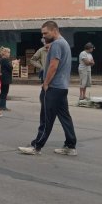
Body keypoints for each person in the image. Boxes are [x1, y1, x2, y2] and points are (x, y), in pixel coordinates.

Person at [19, 21, 77, 156]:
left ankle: (36, 146)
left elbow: (53, 66)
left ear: (55, 30)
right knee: (64, 117)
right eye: (42, 34)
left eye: (46, 33)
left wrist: (46, 83)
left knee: (46, 118)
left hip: (53, 87)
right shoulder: (64, 43)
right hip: (62, 87)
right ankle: (70, 145)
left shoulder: (57, 44)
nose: (44, 36)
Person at [0, 47, 13, 111]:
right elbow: (10, 68)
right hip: (5, 78)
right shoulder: (5, 60)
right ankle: (2, 106)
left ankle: (0, 106)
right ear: (5, 53)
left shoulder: (2, 60)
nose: (9, 54)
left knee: (3, 92)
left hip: (3, 78)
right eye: (8, 52)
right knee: (4, 92)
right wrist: (14, 64)